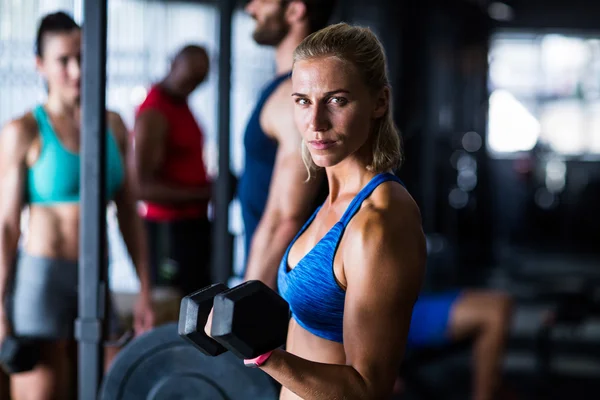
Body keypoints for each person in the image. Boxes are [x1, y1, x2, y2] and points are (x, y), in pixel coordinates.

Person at [209, 22, 428, 399]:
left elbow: (367, 390)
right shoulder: (331, 202)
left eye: (337, 100)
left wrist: (263, 356)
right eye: (303, 101)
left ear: (379, 102)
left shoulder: (378, 224)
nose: (315, 124)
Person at [0, 11, 154, 400]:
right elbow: (5, 227)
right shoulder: (24, 131)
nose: (76, 70)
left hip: (97, 279)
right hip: (42, 283)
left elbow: (128, 215)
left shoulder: (114, 126)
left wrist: (145, 289)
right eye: (63, 60)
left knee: (122, 387)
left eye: (83, 57)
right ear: (40, 65)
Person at [239, 0, 337, 289]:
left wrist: (243, 307)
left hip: (286, 296)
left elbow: (285, 219)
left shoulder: (299, 95)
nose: (250, 8)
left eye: (262, 0)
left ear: (295, 10)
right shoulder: (284, 88)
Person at [131, 45, 213, 298]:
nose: (192, 86)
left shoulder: (180, 104)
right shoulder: (155, 111)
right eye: (189, 78)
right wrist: (202, 193)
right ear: (172, 65)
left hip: (191, 225)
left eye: (199, 81)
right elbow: (140, 187)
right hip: (168, 230)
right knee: (174, 307)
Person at [406, 290, 514, 400]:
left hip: (419, 297)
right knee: (493, 315)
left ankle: (494, 385)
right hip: (404, 312)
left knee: (503, 302)